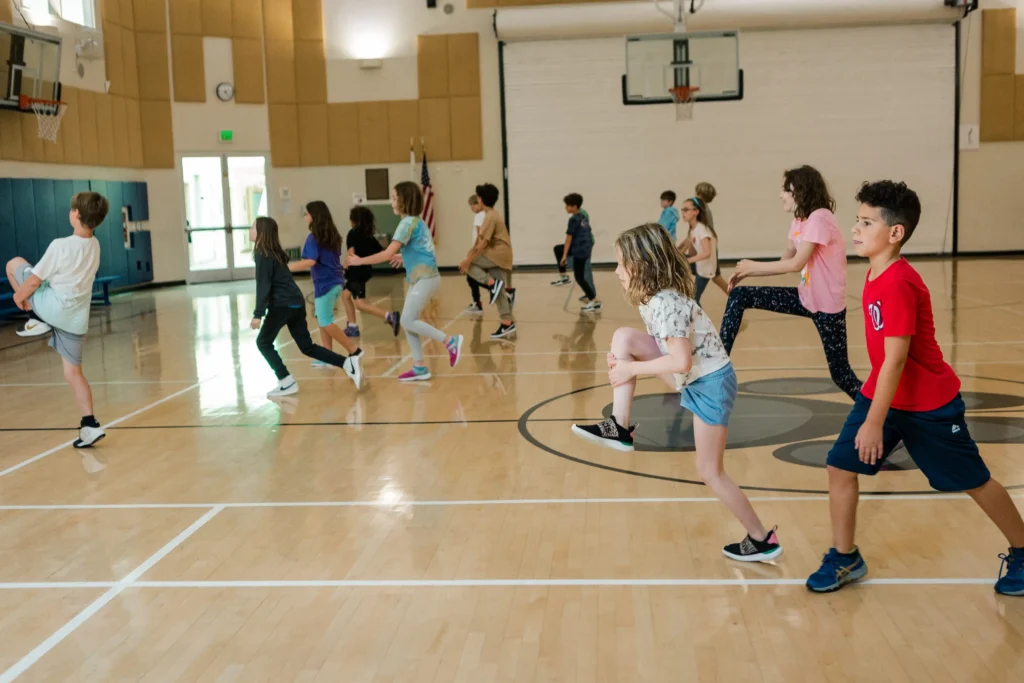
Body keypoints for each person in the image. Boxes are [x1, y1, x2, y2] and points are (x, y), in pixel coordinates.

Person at [807, 181, 1024, 596]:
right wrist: (874, 409)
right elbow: (886, 367)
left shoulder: (898, 283)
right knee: (840, 466)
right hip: (884, 394)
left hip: (928, 406)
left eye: (866, 222)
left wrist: (874, 421)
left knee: (973, 479)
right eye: (857, 219)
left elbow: (896, 359)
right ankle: (845, 556)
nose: (855, 228)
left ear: (895, 233)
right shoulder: (875, 272)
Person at [571, 223, 783, 562]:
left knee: (709, 472)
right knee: (624, 339)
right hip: (698, 375)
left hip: (710, 383)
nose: (616, 270)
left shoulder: (665, 304)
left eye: (621, 263)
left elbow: (681, 361)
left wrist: (630, 369)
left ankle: (762, 539)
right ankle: (619, 426)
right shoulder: (653, 299)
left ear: (641, 266)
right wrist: (626, 359)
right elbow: (667, 351)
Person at [720, 165, 861, 399]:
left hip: (827, 308)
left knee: (842, 375)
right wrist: (748, 273)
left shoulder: (820, 218)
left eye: (786, 189)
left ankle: (886, 415)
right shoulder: (799, 221)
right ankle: (718, 363)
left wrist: (752, 266)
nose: (781, 194)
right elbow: (784, 261)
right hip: (805, 297)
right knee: (740, 295)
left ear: (800, 190)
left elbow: (796, 264)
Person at [6, 191, 110, 448]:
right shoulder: (95, 245)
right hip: (75, 319)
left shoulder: (60, 245)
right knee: (73, 373)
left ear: (76, 214)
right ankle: (90, 424)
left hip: (51, 308)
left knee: (13, 263)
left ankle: (34, 318)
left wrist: (19, 297)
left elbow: (33, 280)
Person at [348, 181, 464, 381]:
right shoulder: (417, 222)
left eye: (394, 198)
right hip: (423, 278)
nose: (392, 202)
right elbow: (426, 250)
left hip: (425, 279)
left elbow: (386, 254)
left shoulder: (406, 223)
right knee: (407, 322)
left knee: (408, 320)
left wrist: (359, 261)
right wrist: (404, 258)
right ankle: (419, 367)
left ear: (404, 201)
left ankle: (450, 341)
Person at [251, 216, 362, 395]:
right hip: (296, 302)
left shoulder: (262, 253)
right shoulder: (274, 251)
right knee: (306, 346)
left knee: (263, 342)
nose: (250, 230)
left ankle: (285, 380)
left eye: (253, 227)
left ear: (262, 232)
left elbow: (263, 284)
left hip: (282, 305)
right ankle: (346, 363)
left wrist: (258, 314)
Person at [287, 201, 365, 365]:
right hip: (336, 282)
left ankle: (354, 350)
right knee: (322, 317)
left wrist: (288, 268)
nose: (305, 216)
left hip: (326, 285)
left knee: (325, 321)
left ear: (314, 216)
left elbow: (310, 261)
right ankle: (326, 354)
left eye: (306, 214)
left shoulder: (313, 237)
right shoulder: (331, 235)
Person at [459, 183, 516, 339]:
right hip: (500, 255)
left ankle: (491, 283)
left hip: (497, 254)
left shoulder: (490, 216)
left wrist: (467, 260)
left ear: (481, 199)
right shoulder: (492, 214)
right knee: (500, 292)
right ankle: (507, 323)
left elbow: (483, 242)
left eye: (478, 197)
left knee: (469, 264)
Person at [340, 205, 401, 337]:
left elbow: (351, 254)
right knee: (345, 296)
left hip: (356, 273)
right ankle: (352, 326)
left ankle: (389, 316)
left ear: (355, 220)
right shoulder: (369, 236)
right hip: (365, 272)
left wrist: (343, 268)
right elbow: (382, 252)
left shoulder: (352, 233)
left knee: (360, 304)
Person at [561, 193, 600, 312]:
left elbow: (568, 239)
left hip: (579, 251)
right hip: (584, 249)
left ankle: (593, 299)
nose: (565, 208)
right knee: (558, 249)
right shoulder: (582, 217)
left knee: (579, 277)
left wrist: (564, 256)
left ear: (574, 206)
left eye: (567, 206)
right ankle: (563, 275)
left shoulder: (573, 220)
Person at [694, 182, 731, 296]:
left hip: (707, 247)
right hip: (709, 246)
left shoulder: (700, 207)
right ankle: (734, 295)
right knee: (716, 276)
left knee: (712, 275)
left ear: (699, 193)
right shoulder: (704, 207)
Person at [680, 197, 717, 304]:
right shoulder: (693, 229)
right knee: (676, 262)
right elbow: (692, 253)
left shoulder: (702, 230)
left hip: (705, 269)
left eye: (686, 210)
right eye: (682, 210)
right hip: (699, 265)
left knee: (694, 300)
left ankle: (704, 321)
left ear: (696, 212)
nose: (683, 213)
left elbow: (707, 253)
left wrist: (687, 261)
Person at [464, 194, 486, 315]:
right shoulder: (488, 215)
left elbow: (479, 236)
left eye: (473, 205)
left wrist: (473, 252)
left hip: (479, 251)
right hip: (483, 250)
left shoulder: (479, 216)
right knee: (473, 277)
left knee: (472, 276)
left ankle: (477, 304)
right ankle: (477, 303)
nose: (472, 208)